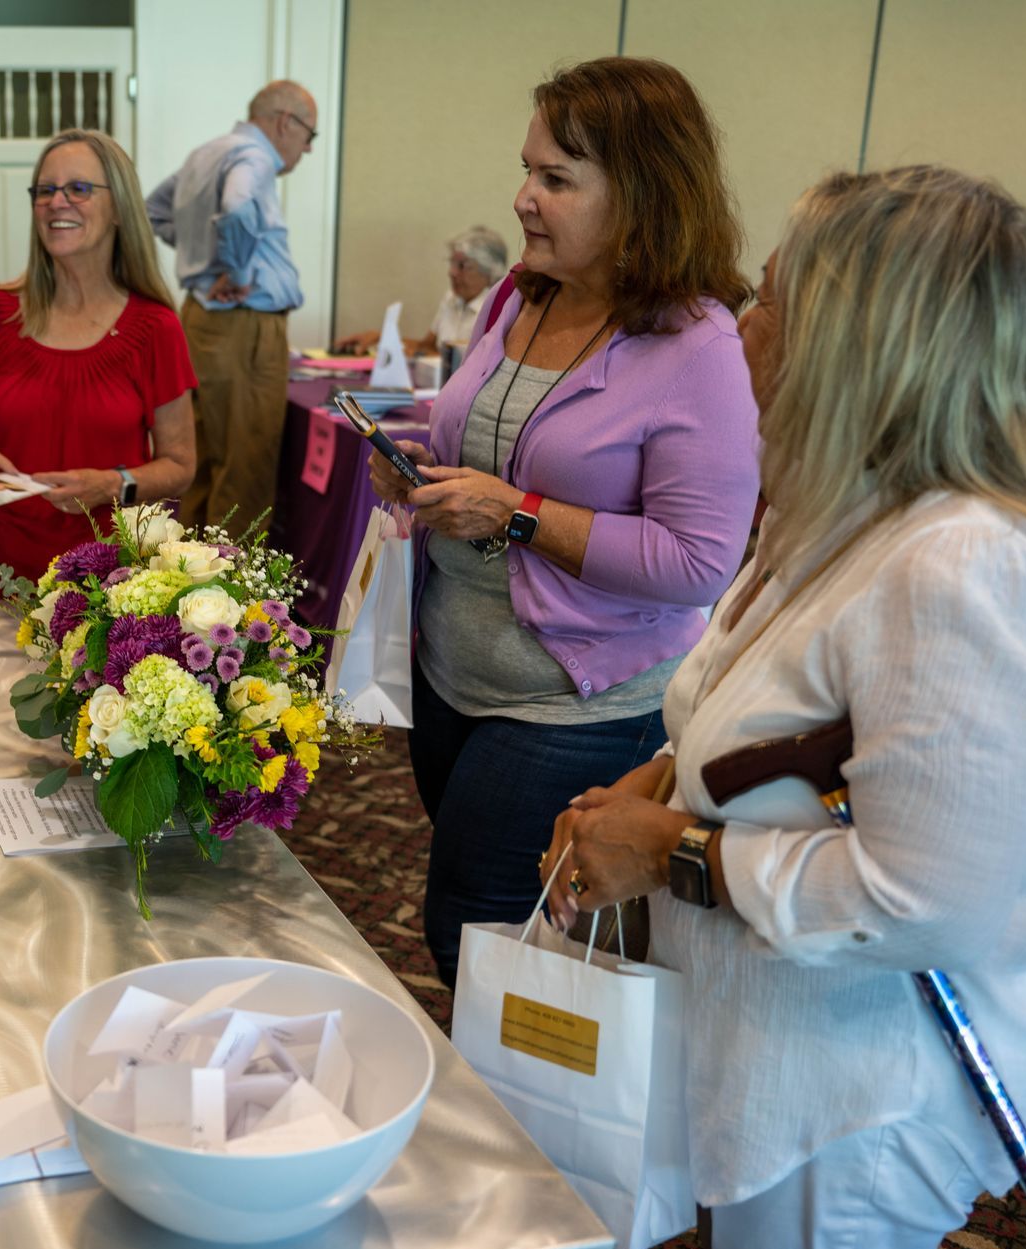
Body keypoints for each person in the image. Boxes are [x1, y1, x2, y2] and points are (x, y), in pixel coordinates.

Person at [542, 166, 1026, 1249]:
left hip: (868, 1082)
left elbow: (927, 902)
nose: (741, 326)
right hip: (784, 1042)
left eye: (770, 300)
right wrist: (654, 784)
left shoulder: (966, 564)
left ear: (858, 341)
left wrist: (677, 854)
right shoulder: (839, 506)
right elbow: (755, 714)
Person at [367, 58, 758, 989]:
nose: (523, 199)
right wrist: (419, 464)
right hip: (452, 672)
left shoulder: (697, 344)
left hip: (574, 701)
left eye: (556, 179)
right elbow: (488, 438)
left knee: (475, 929)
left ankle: (505, 1124)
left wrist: (519, 516)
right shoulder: (521, 296)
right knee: (492, 925)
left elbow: (699, 561)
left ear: (641, 195)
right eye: (527, 171)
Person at [0, 128, 196, 582]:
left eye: (78, 188)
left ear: (119, 208)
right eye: (45, 190)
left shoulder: (155, 327)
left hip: (111, 581)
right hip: (0, 565)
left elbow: (180, 466)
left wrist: (111, 484)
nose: (56, 202)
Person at [147, 81, 317, 534]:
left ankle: (187, 584)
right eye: (310, 136)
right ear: (286, 122)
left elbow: (153, 210)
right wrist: (236, 274)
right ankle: (233, 599)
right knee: (245, 465)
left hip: (200, 322)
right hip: (245, 328)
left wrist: (202, 259)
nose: (307, 149)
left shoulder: (206, 153)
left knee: (202, 459)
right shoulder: (255, 157)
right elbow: (239, 209)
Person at [332, 225, 509, 356]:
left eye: (462, 265)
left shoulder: (499, 309)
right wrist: (381, 338)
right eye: (452, 263)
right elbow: (427, 347)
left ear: (489, 272)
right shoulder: (451, 298)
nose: (451, 272)